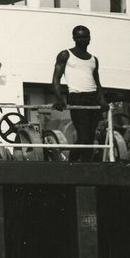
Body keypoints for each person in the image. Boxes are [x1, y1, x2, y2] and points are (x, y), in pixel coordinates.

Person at [52, 26, 105, 162]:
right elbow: (56, 79)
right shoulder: (65, 55)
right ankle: (71, 164)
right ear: (74, 38)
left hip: (92, 98)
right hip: (77, 97)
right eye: (79, 37)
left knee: (91, 138)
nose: (83, 39)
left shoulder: (94, 59)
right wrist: (59, 99)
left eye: (85, 36)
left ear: (89, 38)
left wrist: (102, 100)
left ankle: (86, 166)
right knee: (83, 137)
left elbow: (97, 82)